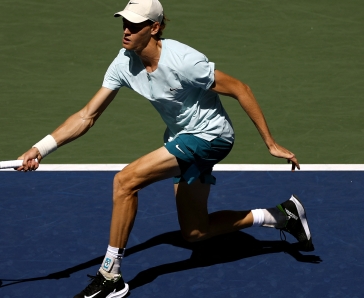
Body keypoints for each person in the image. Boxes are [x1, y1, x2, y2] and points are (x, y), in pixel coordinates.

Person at [17, 0, 314, 297]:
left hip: (210, 137)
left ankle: (111, 275)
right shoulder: (124, 62)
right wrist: (40, 148)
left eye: (135, 25)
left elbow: (241, 89)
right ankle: (282, 216)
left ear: (154, 28)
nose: (126, 30)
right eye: (124, 23)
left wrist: (270, 143)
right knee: (196, 232)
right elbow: (87, 115)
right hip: (181, 138)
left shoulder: (185, 61)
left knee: (125, 181)